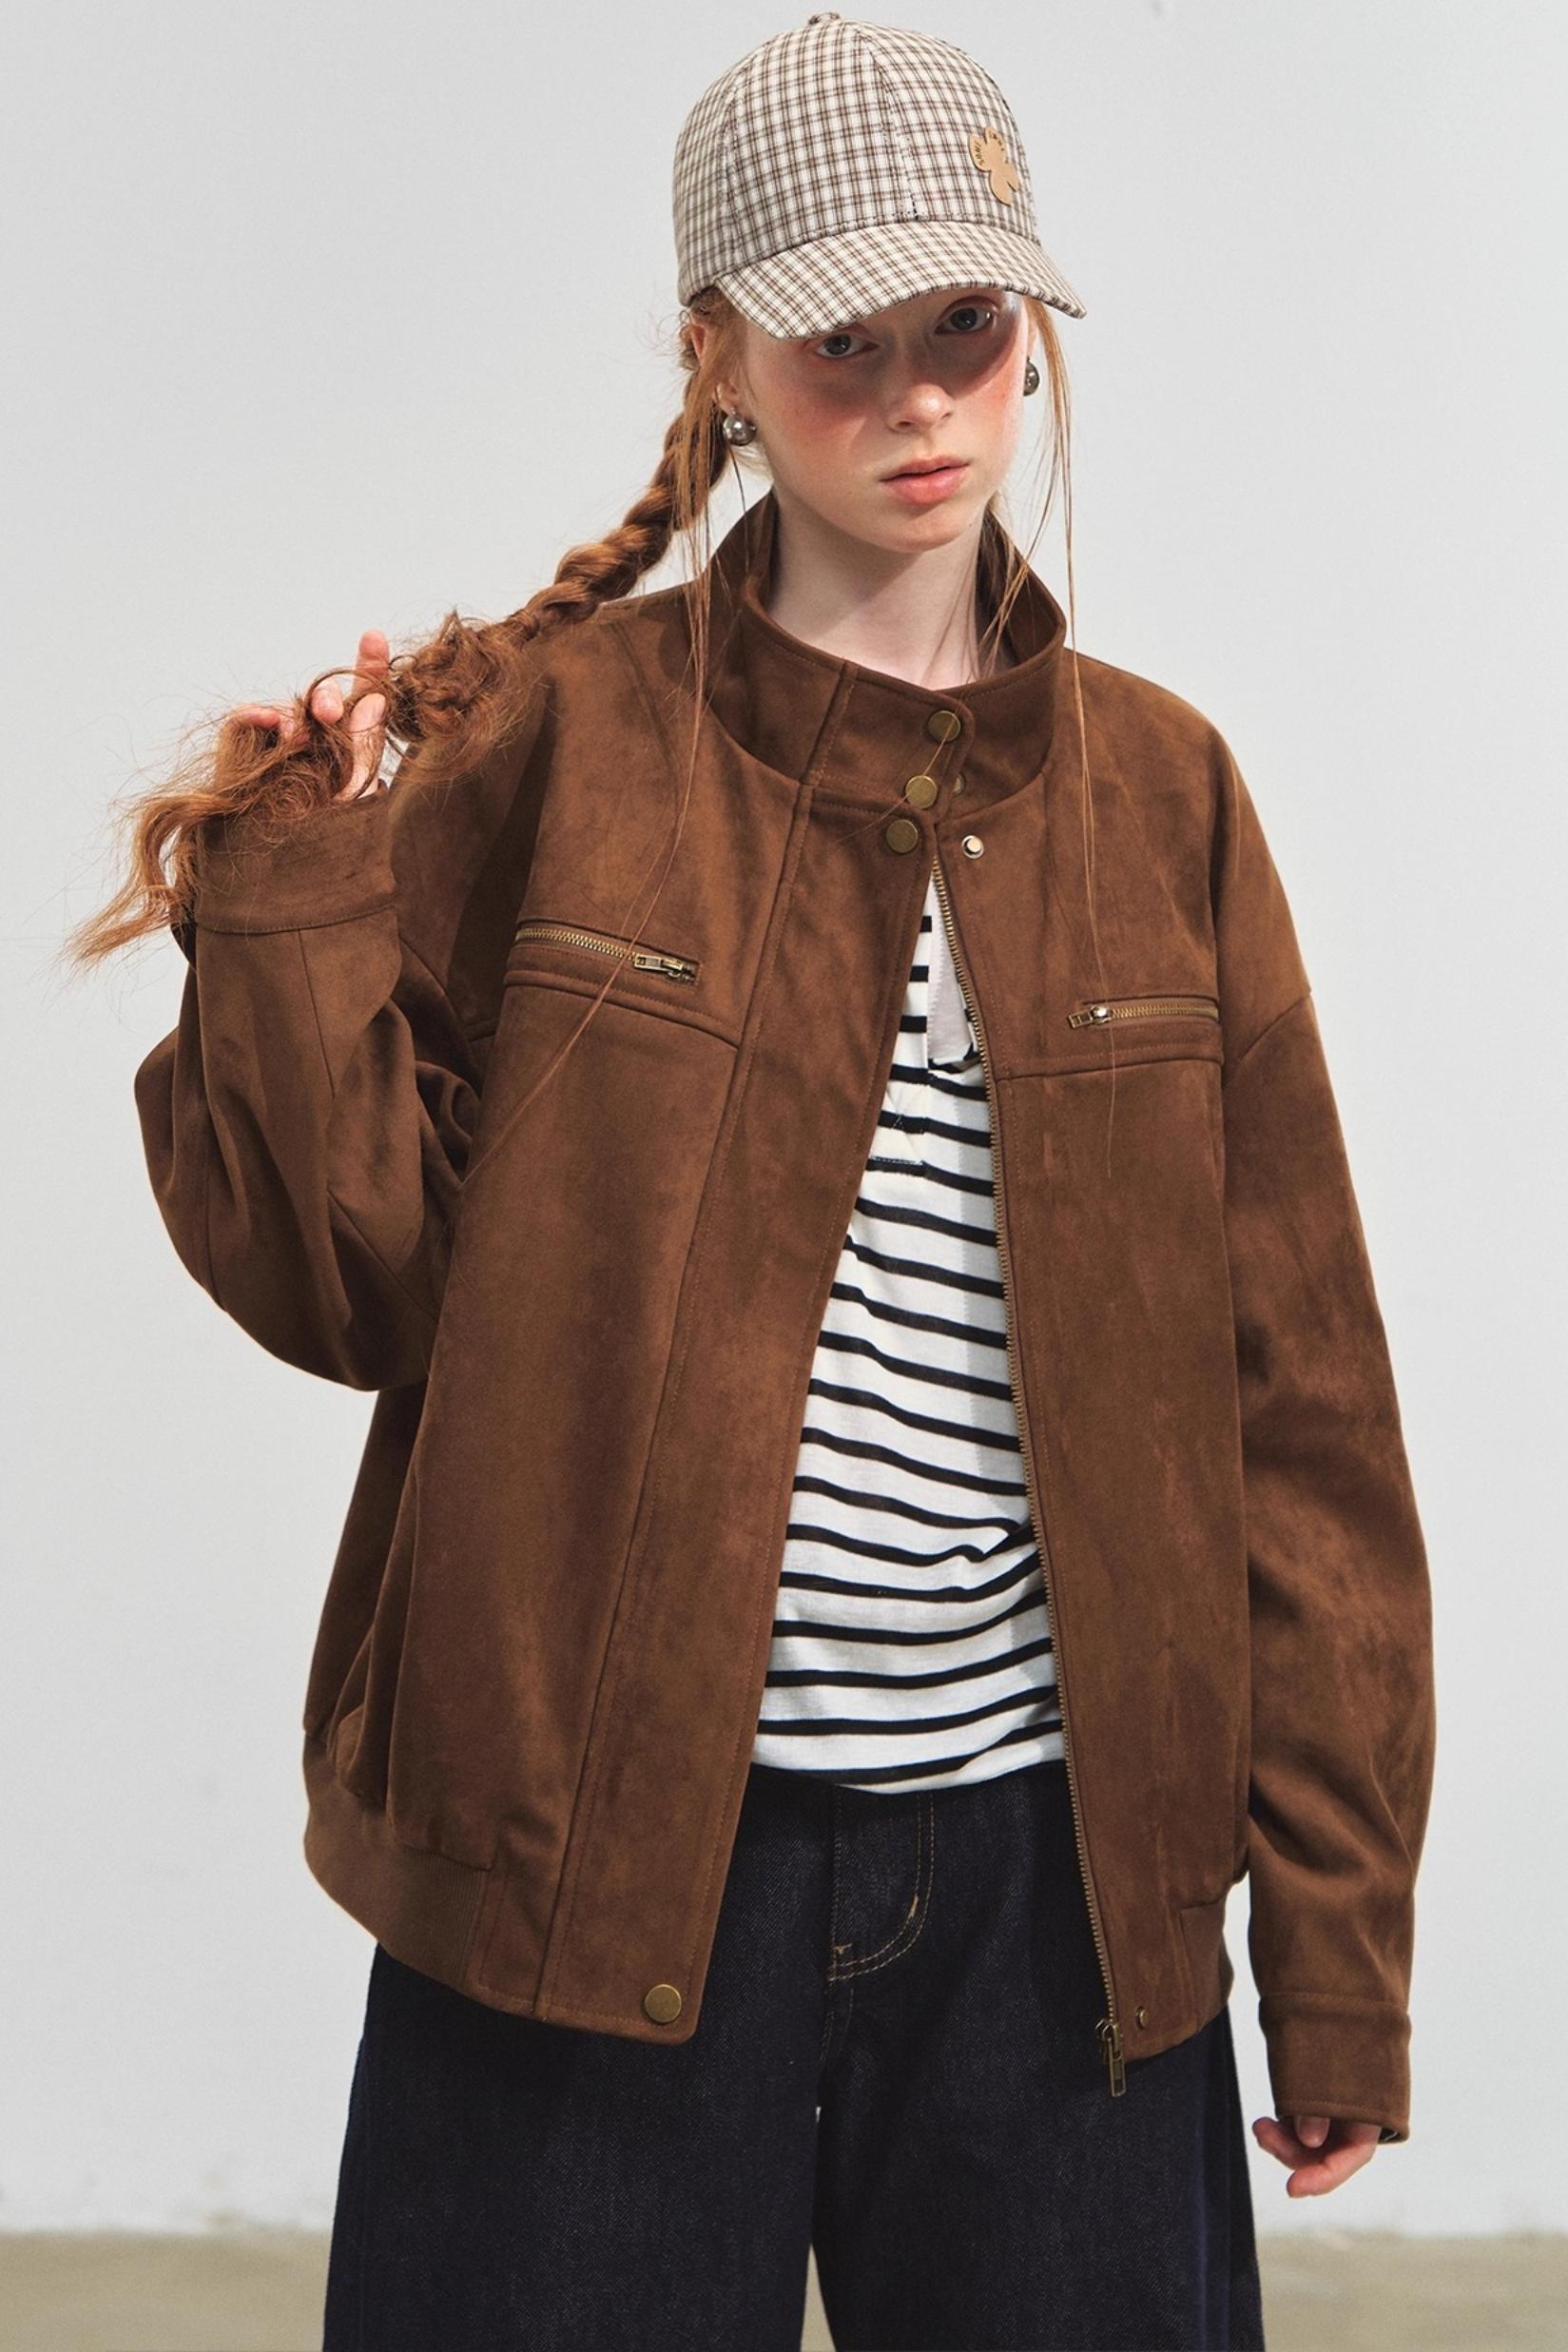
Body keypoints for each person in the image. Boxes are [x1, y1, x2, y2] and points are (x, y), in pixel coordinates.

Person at [69, 12, 1436, 2349]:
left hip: (1058, 1902)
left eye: (963, 325)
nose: (917, 399)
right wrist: (293, 892)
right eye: (839, 343)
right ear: (714, 355)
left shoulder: (1166, 799)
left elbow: (1301, 1410)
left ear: (1031, 337)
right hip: (578, 1865)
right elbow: (350, 1283)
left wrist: (1335, 1947)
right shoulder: (561, 742)